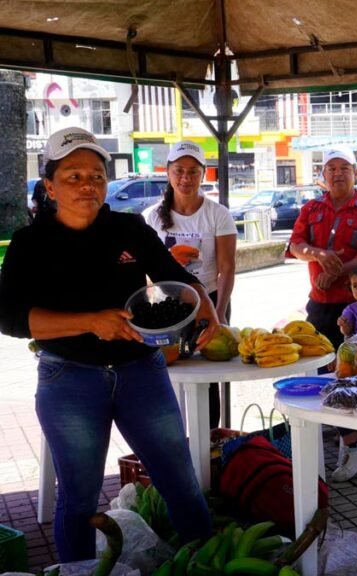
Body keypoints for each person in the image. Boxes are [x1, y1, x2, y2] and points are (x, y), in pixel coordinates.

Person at [0, 127, 216, 561]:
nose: (87, 185)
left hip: (142, 369)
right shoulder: (31, 243)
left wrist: (205, 304)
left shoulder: (128, 228)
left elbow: (172, 274)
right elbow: (10, 318)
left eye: (96, 175)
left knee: (179, 480)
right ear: (50, 185)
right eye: (74, 176)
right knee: (79, 497)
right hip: (69, 377)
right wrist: (90, 322)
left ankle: (208, 562)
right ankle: (78, 571)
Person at [288, 146, 357, 479]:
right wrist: (318, 254)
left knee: (354, 371)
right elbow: (295, 245)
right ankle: (353, 442)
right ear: (323, 175)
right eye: (331, 168)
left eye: (344, 168)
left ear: (356, 173)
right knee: (318, 371)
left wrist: (339, 269)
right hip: (319, 302)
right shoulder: (311, 208)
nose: (338, 173)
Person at [144, 140, 236, 427]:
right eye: (179, 170)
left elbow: (227, 267)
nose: (186, 178)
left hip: (209, 302)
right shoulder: (150, 217)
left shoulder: (216, 214)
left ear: (204, 174)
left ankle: (208, 441)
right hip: (167, 310)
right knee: (168, 374)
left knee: (206, 377)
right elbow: (146, 274)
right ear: (168, 173)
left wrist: (218, 313)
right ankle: (177, 439)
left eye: (193, 172)